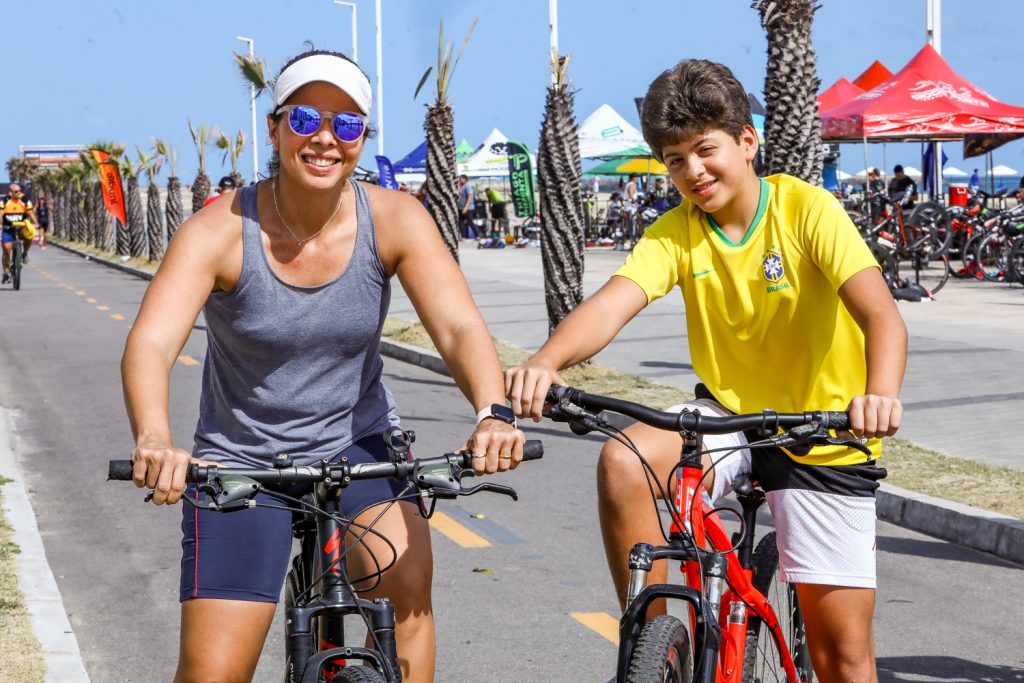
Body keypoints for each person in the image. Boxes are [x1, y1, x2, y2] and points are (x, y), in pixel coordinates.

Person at [121, 48, 525, 683]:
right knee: (213, 672)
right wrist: (154, 436)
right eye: (307, 119)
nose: (326, 139)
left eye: (349, 123)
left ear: (363, 137)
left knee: (407, 593)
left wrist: (492, 412)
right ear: (276, 127)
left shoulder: (394, 219)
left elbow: (457, 325)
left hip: (357, 447)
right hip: (241, 460)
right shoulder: (219, 230)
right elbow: (151, 343)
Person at [505, 59, 906, 682]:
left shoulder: (809, 212)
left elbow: (882, 317)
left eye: (704, 149)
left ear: (748, 142)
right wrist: (545, 361)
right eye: (673, 158)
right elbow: (614, 301)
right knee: (625, 460)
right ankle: (654, 645)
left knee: (844, 656)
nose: (692, 171)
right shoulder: (676, 233)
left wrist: (878, 395)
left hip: (823, 434)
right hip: (731, 418)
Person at [1, 183, 40, 280]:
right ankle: (6, 273)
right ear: (10, 193)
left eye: (19, 191)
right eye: (16, 192)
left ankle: (25, 253)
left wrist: (36, 223)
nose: (19, 193)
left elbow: (30, 213)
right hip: (8, 229)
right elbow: (1, 214)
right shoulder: (5, 201)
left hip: (21, 227)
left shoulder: (25, 200)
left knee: (29, 234)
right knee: (6, 251)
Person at [457, 173, 475, 239]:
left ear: (465, 179)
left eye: (461, 178)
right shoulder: (460, 186)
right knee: (461, 222)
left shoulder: (467, 186)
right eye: (459, 178)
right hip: (460, 207)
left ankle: (477, 235)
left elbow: (470, 196)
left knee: (470, 221)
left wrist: (466, 207)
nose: (460, 179)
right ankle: (463, 236)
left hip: (468, 208)